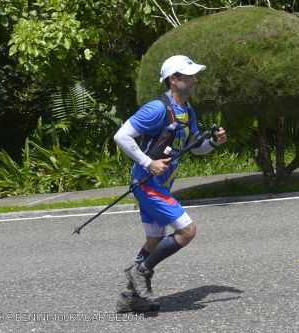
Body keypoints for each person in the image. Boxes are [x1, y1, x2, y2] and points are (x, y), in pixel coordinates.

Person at [113, 55, 227, 311]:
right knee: (187, 231)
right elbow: (121, 136)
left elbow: (194, 148)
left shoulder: (188, 110)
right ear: (174, 80)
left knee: (154, 239)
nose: (195, 79)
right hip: (147, 182)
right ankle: (140, 271)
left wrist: (213, 143)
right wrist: (147, 163)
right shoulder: (156, 109)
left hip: (162, 184)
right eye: (190, 75)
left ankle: (131, 298)